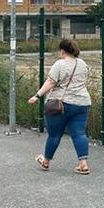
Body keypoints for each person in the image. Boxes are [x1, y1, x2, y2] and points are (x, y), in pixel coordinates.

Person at [28, 39, 91, 174]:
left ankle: (45, 162)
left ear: (62, 51)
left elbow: (50, 82)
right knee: (79, 133)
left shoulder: (60, 64)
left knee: (54, 135)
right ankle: (83, 164)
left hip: (61, 104)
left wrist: (37, 96)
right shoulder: (82, 63)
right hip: (82, 103)